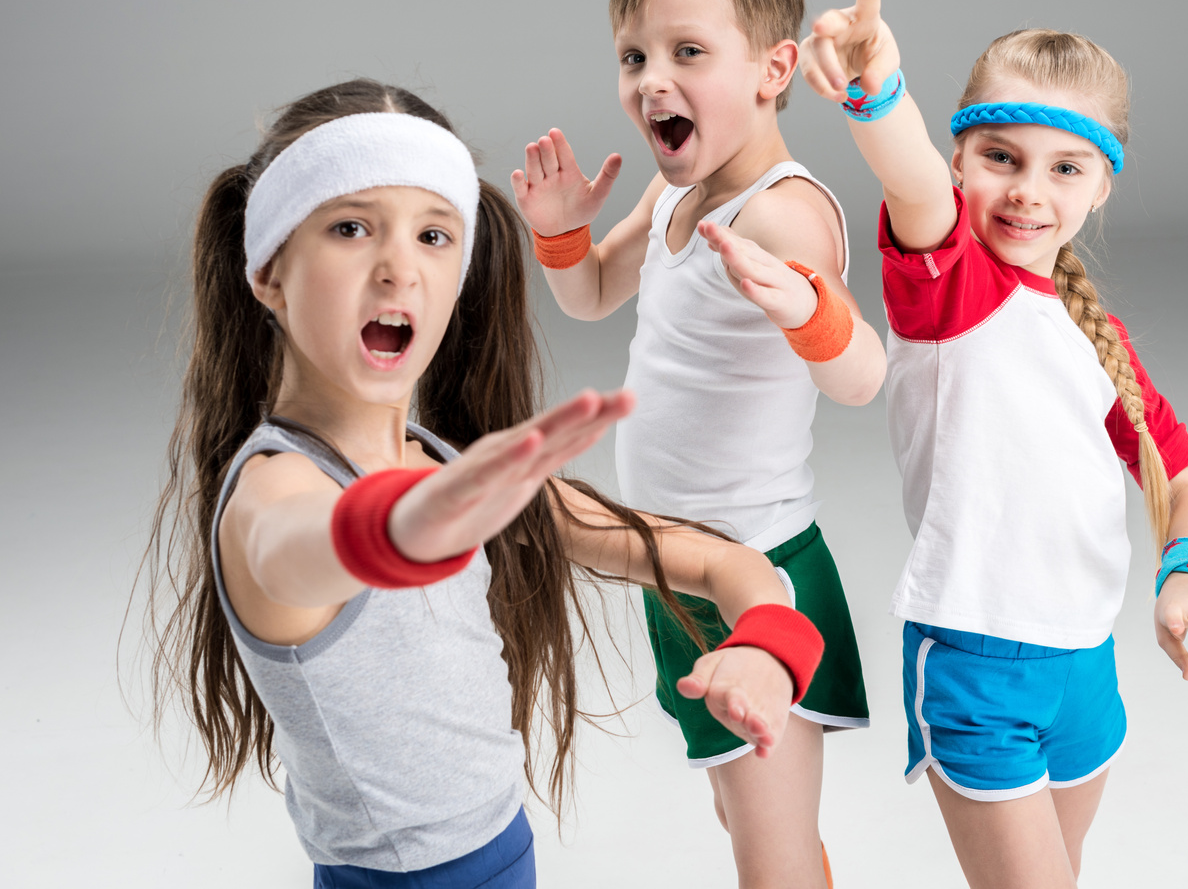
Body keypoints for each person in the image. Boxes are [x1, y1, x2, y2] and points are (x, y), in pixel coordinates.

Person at [140, 79, 826, 888]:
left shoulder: (447, 470)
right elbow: (298, 543)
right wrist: (403, 529)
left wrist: (769, 645)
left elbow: (718, 562)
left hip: (507, 853)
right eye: (351, 227)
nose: (399, 267)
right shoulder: (274, 488)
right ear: (267, 271)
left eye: (434, 235)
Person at [797, 0, 1188, 888]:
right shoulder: (949, 283)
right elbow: (911, 179)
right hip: (977, 665)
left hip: (1086, 664)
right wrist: (878, 93)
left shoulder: (1094, 334)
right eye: (1000, 155)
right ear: (963, 159)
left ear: (1101, 188)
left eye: (1065, 167)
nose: (1028, 190)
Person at [509, 0, 886, 889]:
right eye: (634, 57)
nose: (650, 81)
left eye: (688, 53)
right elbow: (593, 295)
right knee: (745, 814)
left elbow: (858, 380)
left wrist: (809, 311)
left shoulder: (780, 210)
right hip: (679, 567)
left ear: (774, 70)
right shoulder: (681, 199)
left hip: (757, 569)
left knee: (771, 847)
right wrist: (561, 238)